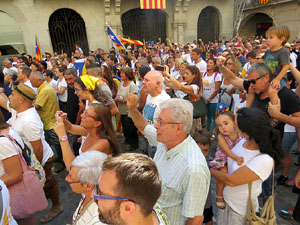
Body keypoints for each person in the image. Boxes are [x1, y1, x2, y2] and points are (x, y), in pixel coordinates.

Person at [127, 95, 210, 225]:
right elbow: (143, 127)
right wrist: (132, 109)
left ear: (178, 128)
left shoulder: (194, 169)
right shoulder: (166, 139)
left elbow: (196, 219)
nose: (155, 125)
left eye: (161, 122)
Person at [0, 83, 62, 224]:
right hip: (29, 157)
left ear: (21, 99)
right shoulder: (19, 110)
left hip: (40, 159)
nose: (10, 96)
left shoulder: (29, 121)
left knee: (48, 183)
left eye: (13, 95)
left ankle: (57, 206)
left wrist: (36, 167)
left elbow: (38, 148)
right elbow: (5, 103)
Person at [210, 107, 283, 225]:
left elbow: (232, 180)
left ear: (247, 132)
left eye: (236, 124)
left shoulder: (264, 159)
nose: (234, 126)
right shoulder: (244, 141)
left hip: (239, 211)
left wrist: (210, 170)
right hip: (227, 203)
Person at [94, 153, 170, 225]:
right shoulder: (148, 207)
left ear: (128, 208)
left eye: (100, 194)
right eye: (96, 186)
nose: (92, 195)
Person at [54, 103, 120, 170]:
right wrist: (63, 120)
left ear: (97, 123)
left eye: (87, 114)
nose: (81, 115)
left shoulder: (103, 143)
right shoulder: (91, 132)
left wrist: (62, 136)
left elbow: (71, 167)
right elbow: (70, 128)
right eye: (84, 112)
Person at [29, 71, 65, 173]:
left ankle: (63, 162)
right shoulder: (44, 88)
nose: (30, 83)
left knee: (58, 144)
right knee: (52, 143)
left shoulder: (45, 90)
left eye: (32, 81)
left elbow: (36, 106)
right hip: (48, 121)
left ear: (39, 80)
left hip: (50, 123)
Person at [247, 25, 290, 109]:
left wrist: (277, 79)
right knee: (251, 88)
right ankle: (247, 108)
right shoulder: (267, 52)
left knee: (271, 91)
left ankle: (275, 113)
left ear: (281, 39)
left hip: (278, 79)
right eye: (266, 38)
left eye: (271, 37)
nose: (267, 40)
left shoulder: (283, 51)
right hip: (267, 78)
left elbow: (286, 66)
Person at [210, 111, 243, 209]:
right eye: (219, 125)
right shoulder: (221, 136)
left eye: (226, 123)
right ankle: (219, 195)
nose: (223, 127)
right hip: (223, 158)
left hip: (236, 157)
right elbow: (226, 150)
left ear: (234, 123)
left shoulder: (240, 132)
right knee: (223, 173)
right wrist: (236, 158)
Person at [66, 151, 107, 225]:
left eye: (71, 177)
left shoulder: (98, 221)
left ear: (88, 185)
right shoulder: (89, 193)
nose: (66, 179)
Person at [115, 67, 139, 151]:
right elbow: (118, 93)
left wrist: (124, 99)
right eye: (120, 73)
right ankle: (127, 139)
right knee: (125, 126)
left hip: (129, 110)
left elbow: (134, 98)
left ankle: (134, 144)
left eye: (123, 73)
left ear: (127, 75)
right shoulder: (121, 83)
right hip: (122, 110)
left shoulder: (132, 85)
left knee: (131, 128)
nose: (120, 75)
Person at [192, 129, 213, 225]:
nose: (201, 154)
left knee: (208, 219)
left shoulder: (210, 162)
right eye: (198, 150)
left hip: (205, 202)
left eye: (205, 151)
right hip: (191, 201)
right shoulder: (187, 161)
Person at [202, 58, 222, 131]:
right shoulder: (204, 74)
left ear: (214, 65)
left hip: (213, 99)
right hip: (205, 98)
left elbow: (217, 89)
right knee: (208, 115)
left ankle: (215, 131)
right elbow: (202, 85)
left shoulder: (217, 75)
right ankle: (207, 130)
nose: (208, 64)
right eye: (208, 63)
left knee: (214, 116)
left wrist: (209, 99)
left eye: (211, 63)